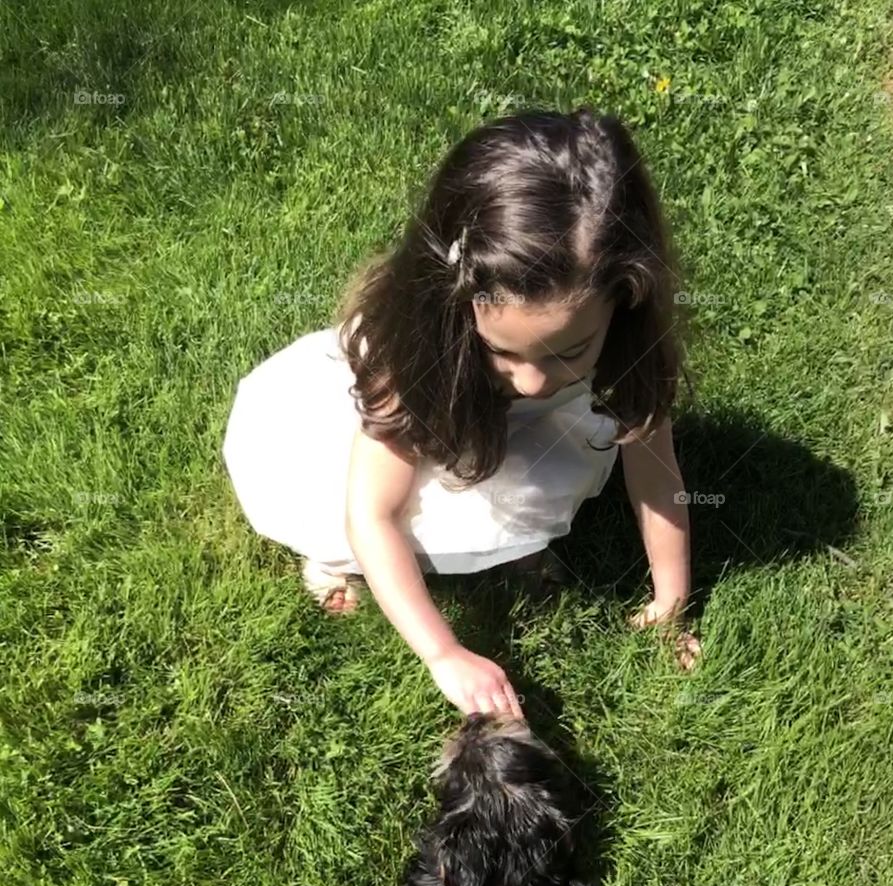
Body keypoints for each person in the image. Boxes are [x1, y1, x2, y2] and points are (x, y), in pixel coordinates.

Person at [222, 106, 702, 720]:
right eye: (502, 350)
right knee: (348, 519)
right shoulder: (415, 354)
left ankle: (517, 536)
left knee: (542, 473)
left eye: (570, 350)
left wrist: (671, 601)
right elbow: (372, 510)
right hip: (409, 426)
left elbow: (657, 472)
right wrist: (443, 652)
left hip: (490, 430)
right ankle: (328, 562)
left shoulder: (627, 340)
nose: (532, 381)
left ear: (625, 298)